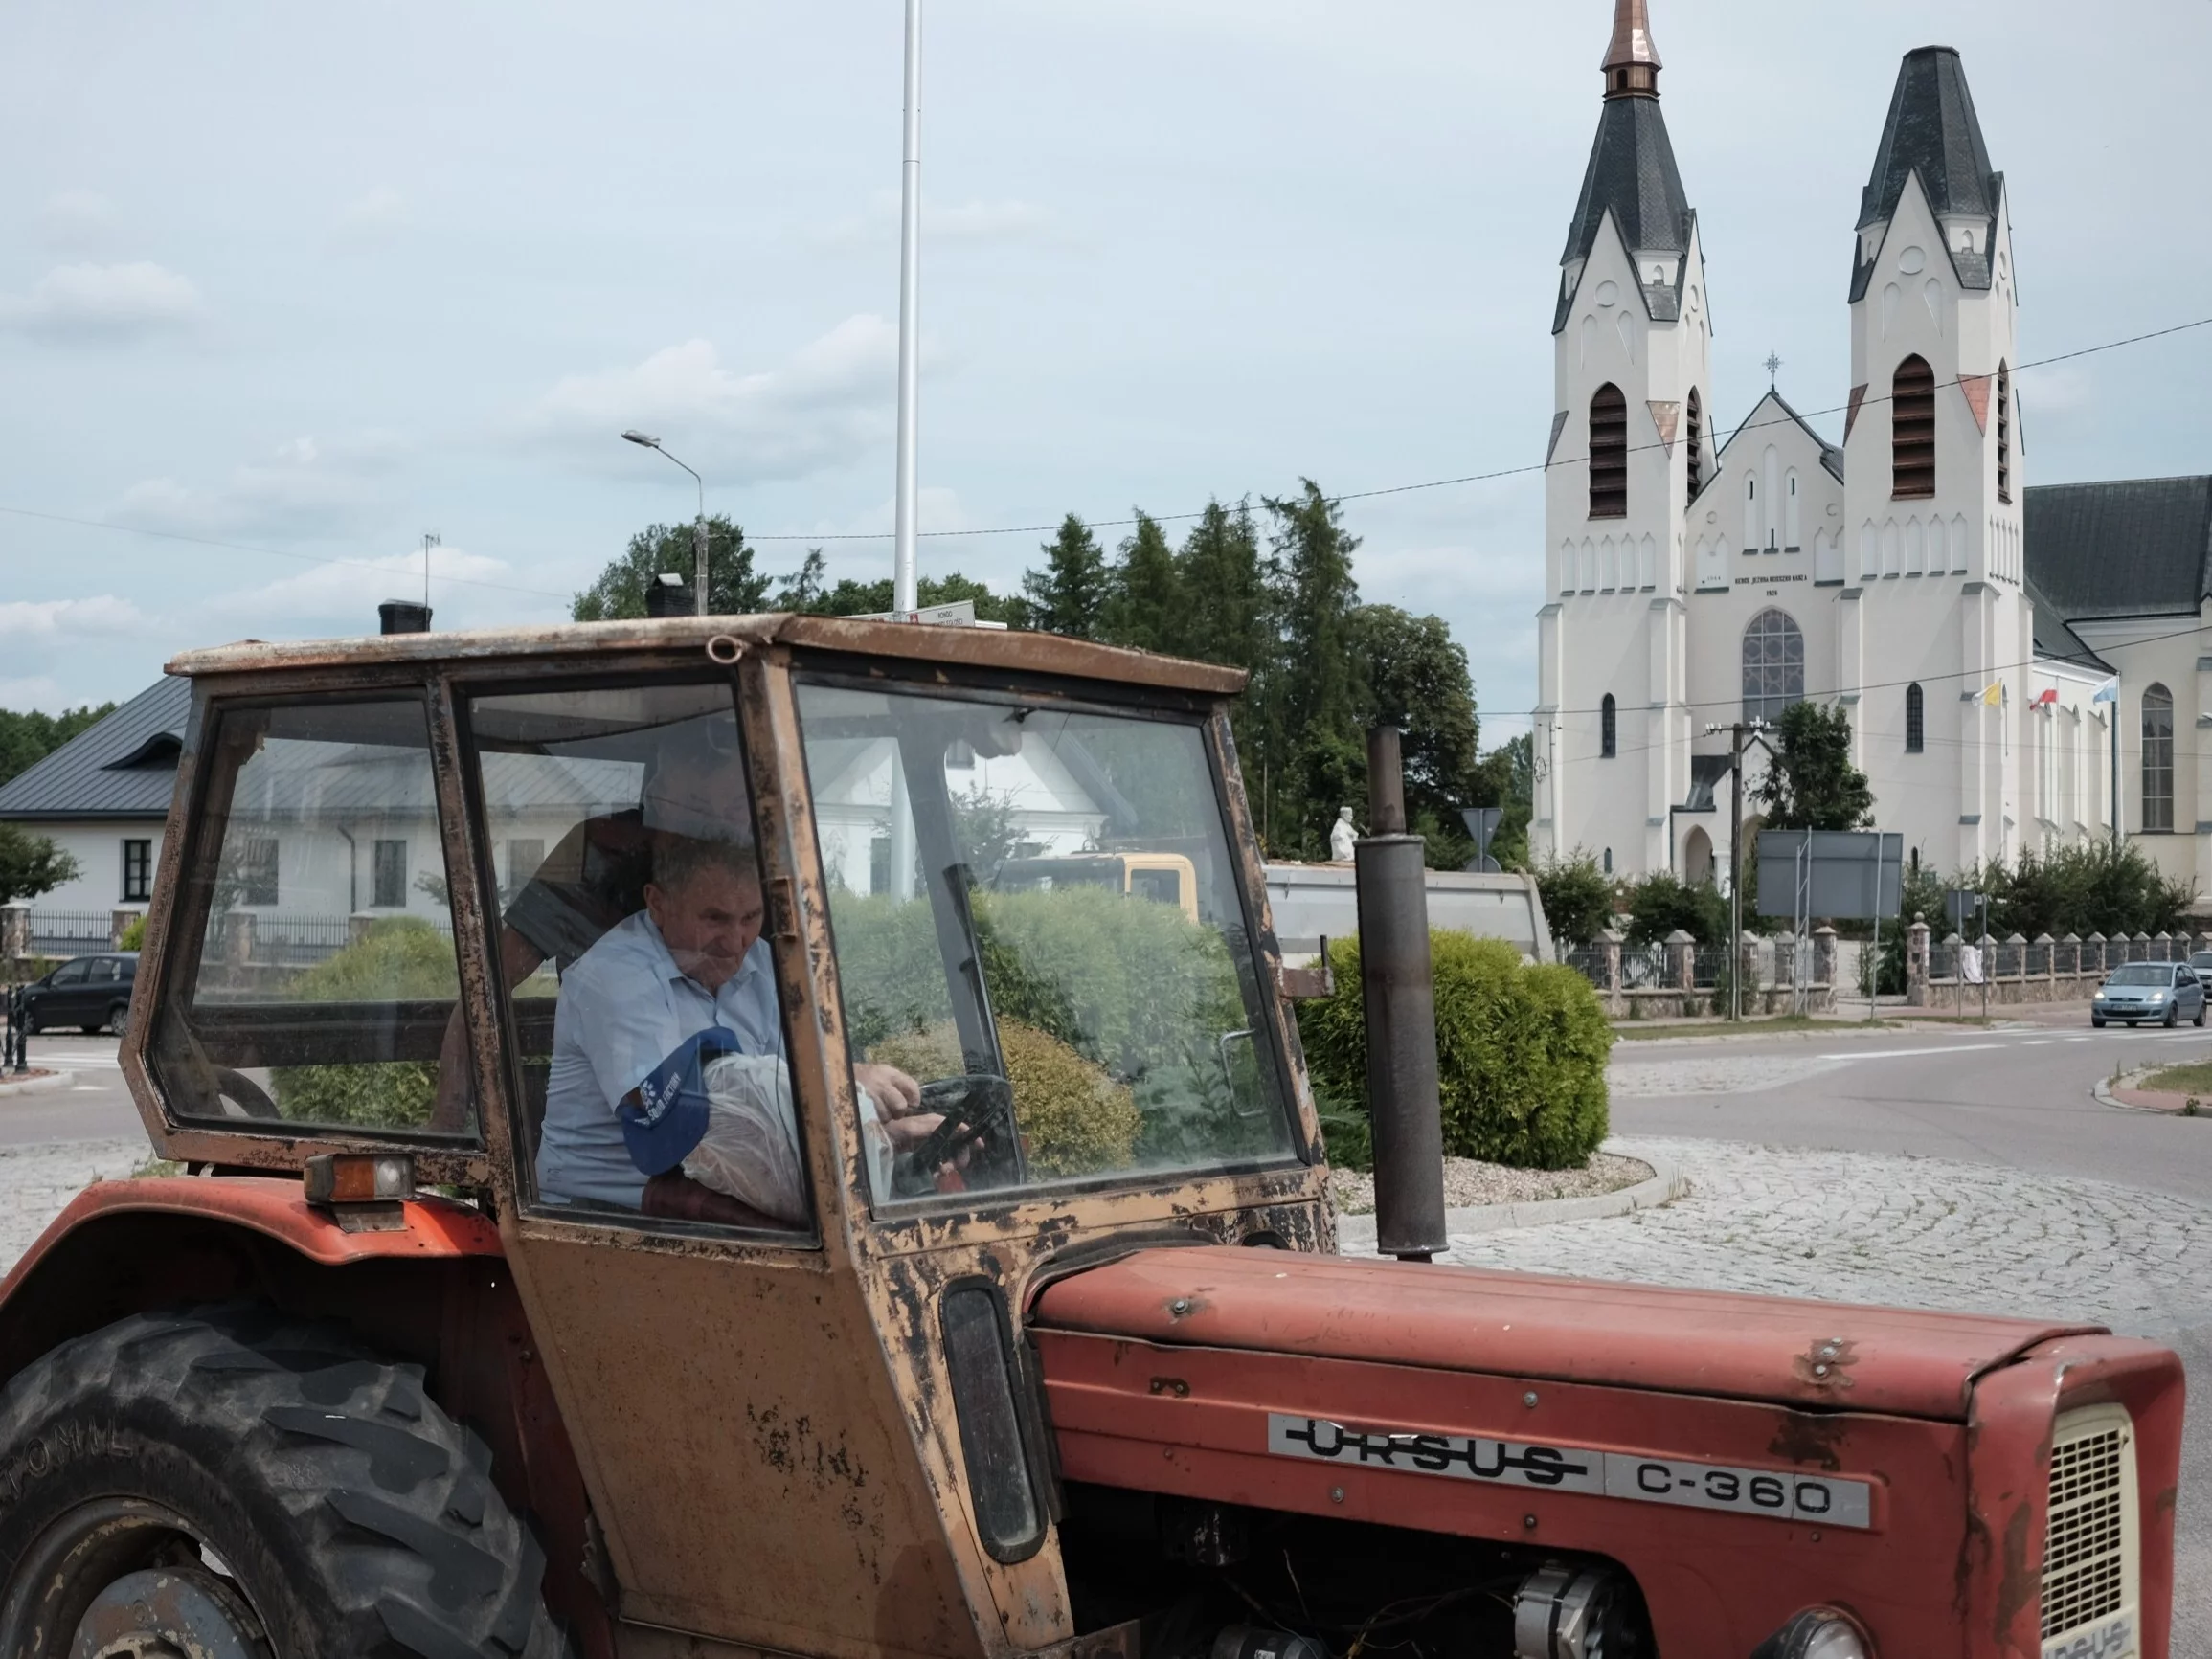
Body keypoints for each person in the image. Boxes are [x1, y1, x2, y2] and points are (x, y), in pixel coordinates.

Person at [539, 833, 931, 1214]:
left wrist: (889, 1136)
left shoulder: (763, 965)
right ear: (657, 903)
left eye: (751, 917)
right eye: (715, 919)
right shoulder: (614, 976)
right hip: (597, 1217)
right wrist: (842, 1081)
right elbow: (688, 1117)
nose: (736, 940)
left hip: (717, 1191)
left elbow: (787, 1096)